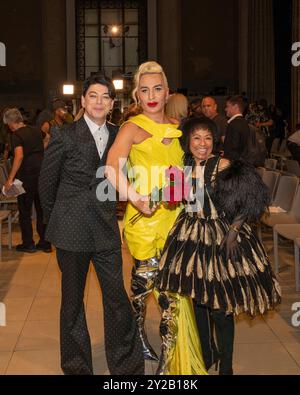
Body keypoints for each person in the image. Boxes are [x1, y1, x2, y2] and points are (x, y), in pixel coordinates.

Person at [156, 117, 281, 375]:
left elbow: (251, 198)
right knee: (199, 300)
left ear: (215, 141)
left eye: (208, 138)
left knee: (221, 306)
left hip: (220, 236)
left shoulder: (222, 164)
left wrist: (234, 232)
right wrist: (165, 192)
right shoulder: (184, 164)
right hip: (190, 233)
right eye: (196, 138)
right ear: (188, 141)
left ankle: (226, 366)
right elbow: (176, 200)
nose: (202, 144)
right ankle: (207, 353)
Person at [106, 61, 207, 375]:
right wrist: (135, 197)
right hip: (144, 221)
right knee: (142, 291)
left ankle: (172, 359)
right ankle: (137, 336)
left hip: (176, 219)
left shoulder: (179, 127)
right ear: (137, 94)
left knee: (173, 295)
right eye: (144, 89)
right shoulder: (132, 127)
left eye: (157, 88)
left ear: (167, 93)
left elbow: (190, 169)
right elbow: (111, 167)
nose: (151, 95)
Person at [39, 74, 144, 375]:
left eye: (105, 97)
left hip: (106, 229)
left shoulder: (120, 135)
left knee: (117, 299)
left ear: (112, 104)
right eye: (93, 96)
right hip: (71, 230)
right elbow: (47, 185)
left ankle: (126, 367)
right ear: (83, 101)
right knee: (72, 304)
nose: (99, 102)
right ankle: (76, 367)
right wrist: (55, 221)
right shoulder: (64, 134)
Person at [3, 108, 51, 253]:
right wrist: (40, 152)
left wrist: (10, 179)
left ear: (11, 123)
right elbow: (48, 137)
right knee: (41, 209)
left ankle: (28, 243)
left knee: (24, 210)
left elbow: (19, 156)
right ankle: (45, 243)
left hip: (26, 176)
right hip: (42, 173)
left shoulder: (16, 135)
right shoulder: (35, 130)